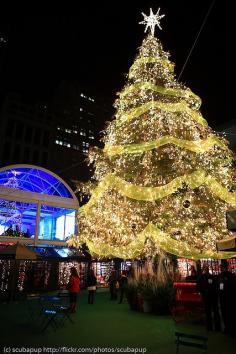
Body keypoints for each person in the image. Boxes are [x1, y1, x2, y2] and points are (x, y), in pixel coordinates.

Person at [198, 265, 221, 331]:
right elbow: (199, 287)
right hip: (206, 297)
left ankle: (217, 327)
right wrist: (204, 292)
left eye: (207, 269)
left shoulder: (212, 277)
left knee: (215, 311)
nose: (206, 270)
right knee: (208, 312)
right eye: (205, 269)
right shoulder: (202, 278)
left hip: (213, 297)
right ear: (203, 270)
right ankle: (210, 327)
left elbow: (215, 286)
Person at [218, 262, 236, 335]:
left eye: (222, 267)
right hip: (225, 298)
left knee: (228, 314)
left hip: (228, 298)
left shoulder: (228, 276)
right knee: (227, 314)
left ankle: (230, 329)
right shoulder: (221, 276)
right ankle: (228, 329)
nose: (222, 268)